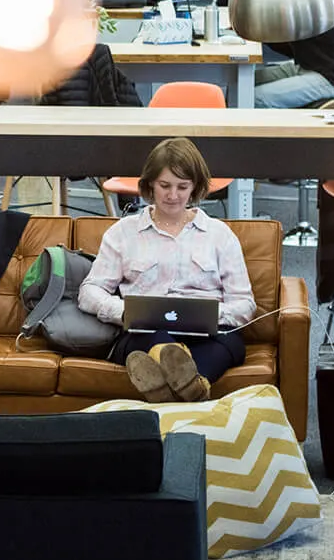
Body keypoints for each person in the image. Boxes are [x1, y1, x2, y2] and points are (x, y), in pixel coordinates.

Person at [77, 137, 256, 402]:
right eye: (165, 186)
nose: (173, 196)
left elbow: (245, 303)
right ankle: (187, 382)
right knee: (154, 341)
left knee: (230, 345)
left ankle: (176, 385)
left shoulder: (219, 235)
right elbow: (89, 291)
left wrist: (213, 314)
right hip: (144, 335)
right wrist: (123, 311)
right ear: (150, 184)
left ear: (194, 187)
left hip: (207, 334)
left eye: (182, 187)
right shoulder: (124, 233)